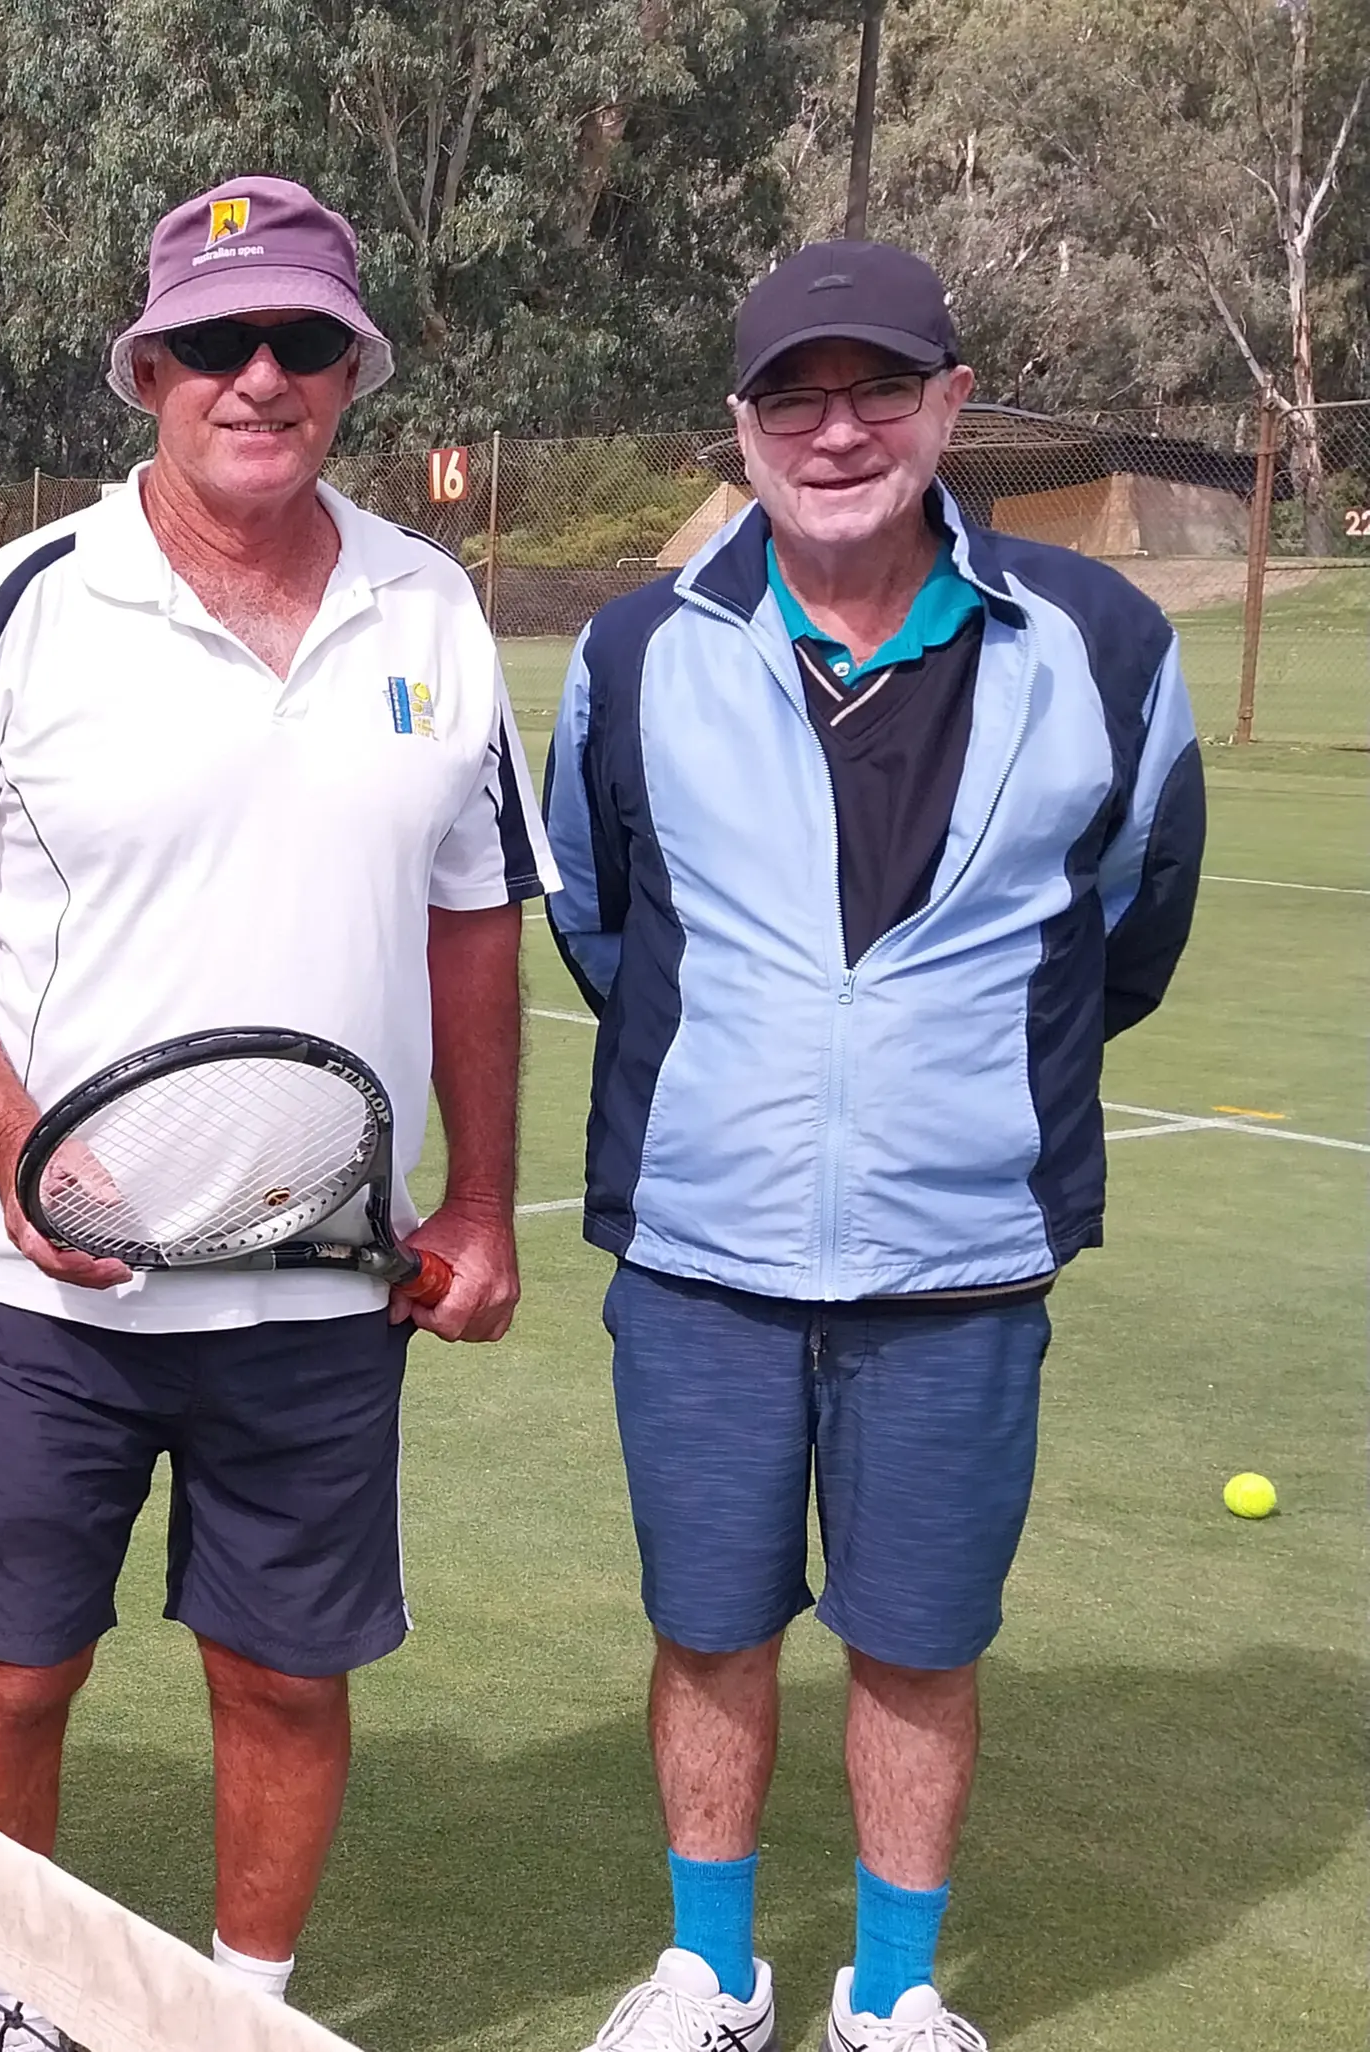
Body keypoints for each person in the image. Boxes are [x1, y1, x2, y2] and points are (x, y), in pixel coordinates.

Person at [0, 176, 547, 2047]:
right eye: (219, 342)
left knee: (288, 1680)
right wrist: (20, 1155)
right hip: (39, 1294)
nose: (262, 376)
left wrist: (481, 1204)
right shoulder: (26, 603)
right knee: (10, 1676)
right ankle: (13, 2000)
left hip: (327, 1276)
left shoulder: (435, 605)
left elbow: (477, 924)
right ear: (146, 367)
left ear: (353, 373)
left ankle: (240, 2011)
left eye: (303, 340)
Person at [547, 241, 1202, 2052]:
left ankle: (894, 1998)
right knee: (709, 1623)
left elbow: (1126, 934)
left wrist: (938, 1079)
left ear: (951, 409)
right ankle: (711, 1972)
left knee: (921, 1639)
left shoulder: (1105, 645)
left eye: (880, 390)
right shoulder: (636, 650)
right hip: (705, 1249)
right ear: (741, 425)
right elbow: (605, 926)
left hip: (961, 1255)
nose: (837, 431)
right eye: (794, 397)